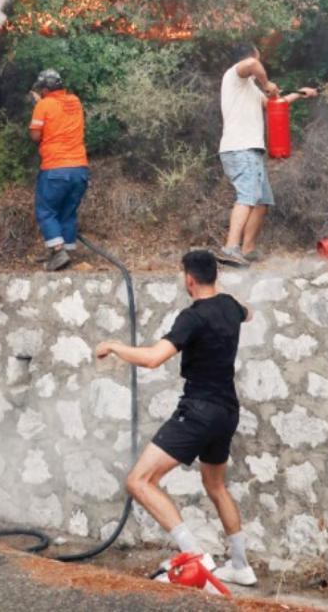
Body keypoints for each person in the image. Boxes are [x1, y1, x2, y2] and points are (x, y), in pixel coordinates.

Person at [95, 249, 255, 587]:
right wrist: (223, 295)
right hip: (227, 411)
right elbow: (248, 312)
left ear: (189, 279)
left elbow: (153, 358)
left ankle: (194, 555)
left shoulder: (192, 317)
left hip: (198, 410)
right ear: (215, 276)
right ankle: (240, 565)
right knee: (215, 486)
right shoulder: (230, 306)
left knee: (139, 481)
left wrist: (114, 346)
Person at [218, 42, 318, 266]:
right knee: (247, 196)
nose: (259, 62)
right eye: (258, 57)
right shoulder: (235, 75)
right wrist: (267, 83)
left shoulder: (250, 87)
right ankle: (230, 248)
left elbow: (273, 104)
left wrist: (299, 94)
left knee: (262, 200)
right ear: (251, 56)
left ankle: (248, 249)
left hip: (251, 150)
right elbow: (252, 65)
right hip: (240, 148)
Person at [28, 68, 89, 272]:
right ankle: (67, 253)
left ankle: (58, 251)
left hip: (55, 169)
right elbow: (60, 114)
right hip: (80, 170)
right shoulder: (75, 101)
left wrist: (38, 106)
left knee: (46, 211)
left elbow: (35, 136)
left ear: (45, 89)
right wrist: (42, 104)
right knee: (67, 213)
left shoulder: (43, 105)